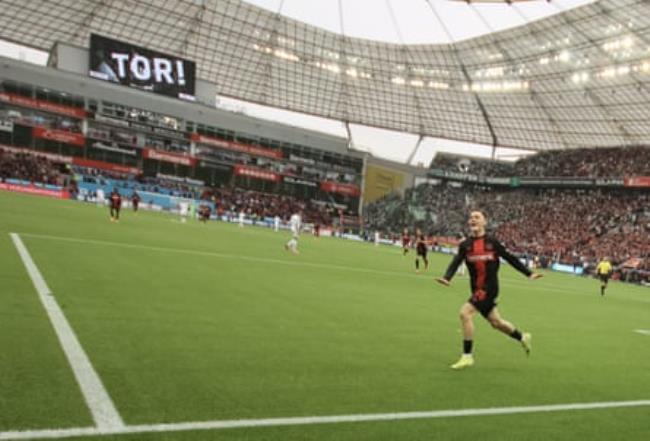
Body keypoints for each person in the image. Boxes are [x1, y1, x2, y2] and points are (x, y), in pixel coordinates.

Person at [435, 210, 543, 370]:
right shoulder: (465, 245)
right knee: (496, 322)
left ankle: (467, 356)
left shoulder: (492, 242)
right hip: (477, 290)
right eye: (471, 217)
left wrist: (529, 273)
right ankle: (522, 337)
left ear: (485, 222)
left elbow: (510, 258)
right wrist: (447, 277)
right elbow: (457, 261)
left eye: (477, 217)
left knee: (465, 313)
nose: (473, 220)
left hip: (490, 289)